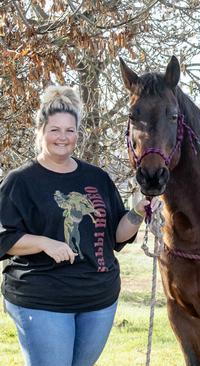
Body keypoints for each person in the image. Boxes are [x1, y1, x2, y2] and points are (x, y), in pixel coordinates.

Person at [0, 85, 150, 366]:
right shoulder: (20, 182)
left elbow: (116, 236)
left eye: (70, 130)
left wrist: (137, 212)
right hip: (42, 297)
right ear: (41, 131)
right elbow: (4, 238)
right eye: (55, 129)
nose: (63, 137)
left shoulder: (97, 178)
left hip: (99, 298)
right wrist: (45, 243)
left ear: (77, 135)